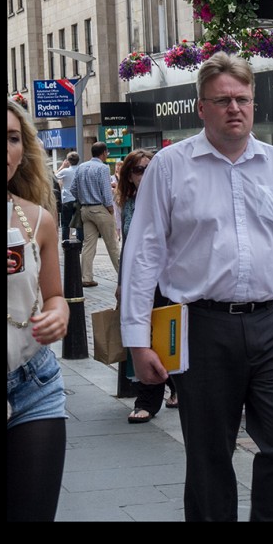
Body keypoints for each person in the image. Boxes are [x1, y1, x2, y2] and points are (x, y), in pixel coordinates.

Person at [119, 52, 273, 521]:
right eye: (223, 100)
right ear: (201, 107)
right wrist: (137, 342)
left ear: (254, 104)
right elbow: (143, 256)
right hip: (202, 326)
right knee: (209, 455)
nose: (234, 108)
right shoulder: (170, 167)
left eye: (243, 99)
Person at [7, 98, 70, 521]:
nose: (6, 149)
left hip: (34, 385)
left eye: (12, 138)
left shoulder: (36, 220)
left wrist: (60, 312)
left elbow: (53, 294)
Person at [115, 149, 178, 424]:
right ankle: (158, 395)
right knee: (149, 339)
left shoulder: (168, 198)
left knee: (165, 337)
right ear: (129, 175)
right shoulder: (128, 204)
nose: (145, 173)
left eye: (149, 168)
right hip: (140, 280)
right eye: (139, 169)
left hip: (167, 280)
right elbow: (127, 247)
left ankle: (161, 394)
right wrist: (121, 282)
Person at [69, 140, 121, 287]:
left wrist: (82, 198)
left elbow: (72, 188)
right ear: (104, 153)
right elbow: (106, 192)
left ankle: (86, 277)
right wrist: (110, 209)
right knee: (112, 245)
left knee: (88, 245)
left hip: (85, 210)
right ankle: (123, 276)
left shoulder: (81, 167)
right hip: (100, 209)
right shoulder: (103, 168)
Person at [55, 151, 83, 242]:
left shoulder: (65, 171)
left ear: (68, 161)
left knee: (65, 224)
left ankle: (65, 242)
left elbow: (54, 176)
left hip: (67, 200)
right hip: (78, 199)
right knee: (79, 223)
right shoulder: (81, 170)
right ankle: (79, 244)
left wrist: (63, 166)